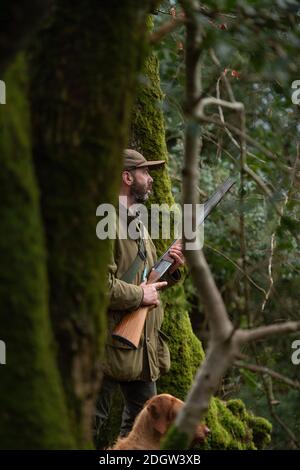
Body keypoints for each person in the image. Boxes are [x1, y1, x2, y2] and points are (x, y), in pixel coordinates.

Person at [94, 149, 184, 447]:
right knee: (92, 422)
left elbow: (147, 283)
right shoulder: (102, 223)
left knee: (145, 427)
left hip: (142, 345)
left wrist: (168, 269)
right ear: (127, 177)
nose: (151, 179)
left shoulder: (139, 223)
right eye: (146, 172)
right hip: (106, 343)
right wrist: (139, 294)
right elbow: (98, 287)